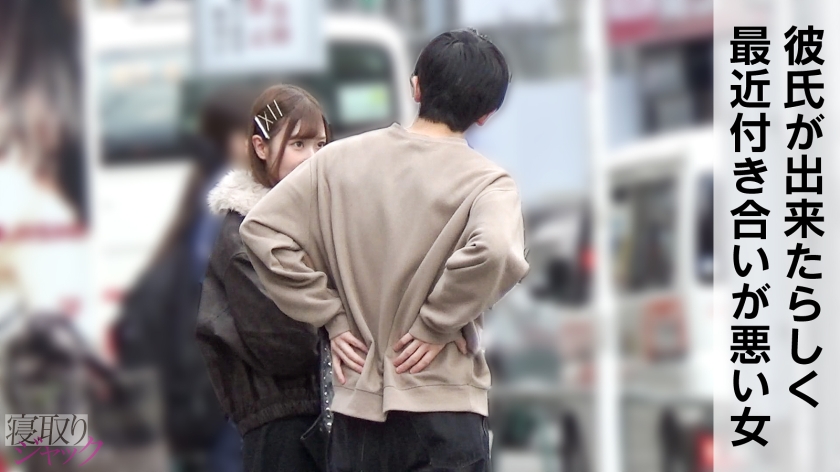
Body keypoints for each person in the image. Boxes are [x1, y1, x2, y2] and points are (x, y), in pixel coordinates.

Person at [240, 29, 529, 471]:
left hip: (358, 413)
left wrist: (331, 316)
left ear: (416, 87)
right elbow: (496, 251)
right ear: (487, 114)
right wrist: (435, 323)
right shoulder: (488, 182)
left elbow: (261, 228)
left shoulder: (336, 161)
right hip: (445, 405)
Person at [196, 84, 333, 472]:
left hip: (322, 416)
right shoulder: (244, 233)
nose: (312, 158)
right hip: (283, 424)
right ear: (260, 146)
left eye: (321, 145)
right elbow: (288, 343)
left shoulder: (317, 220)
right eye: (298, 144)